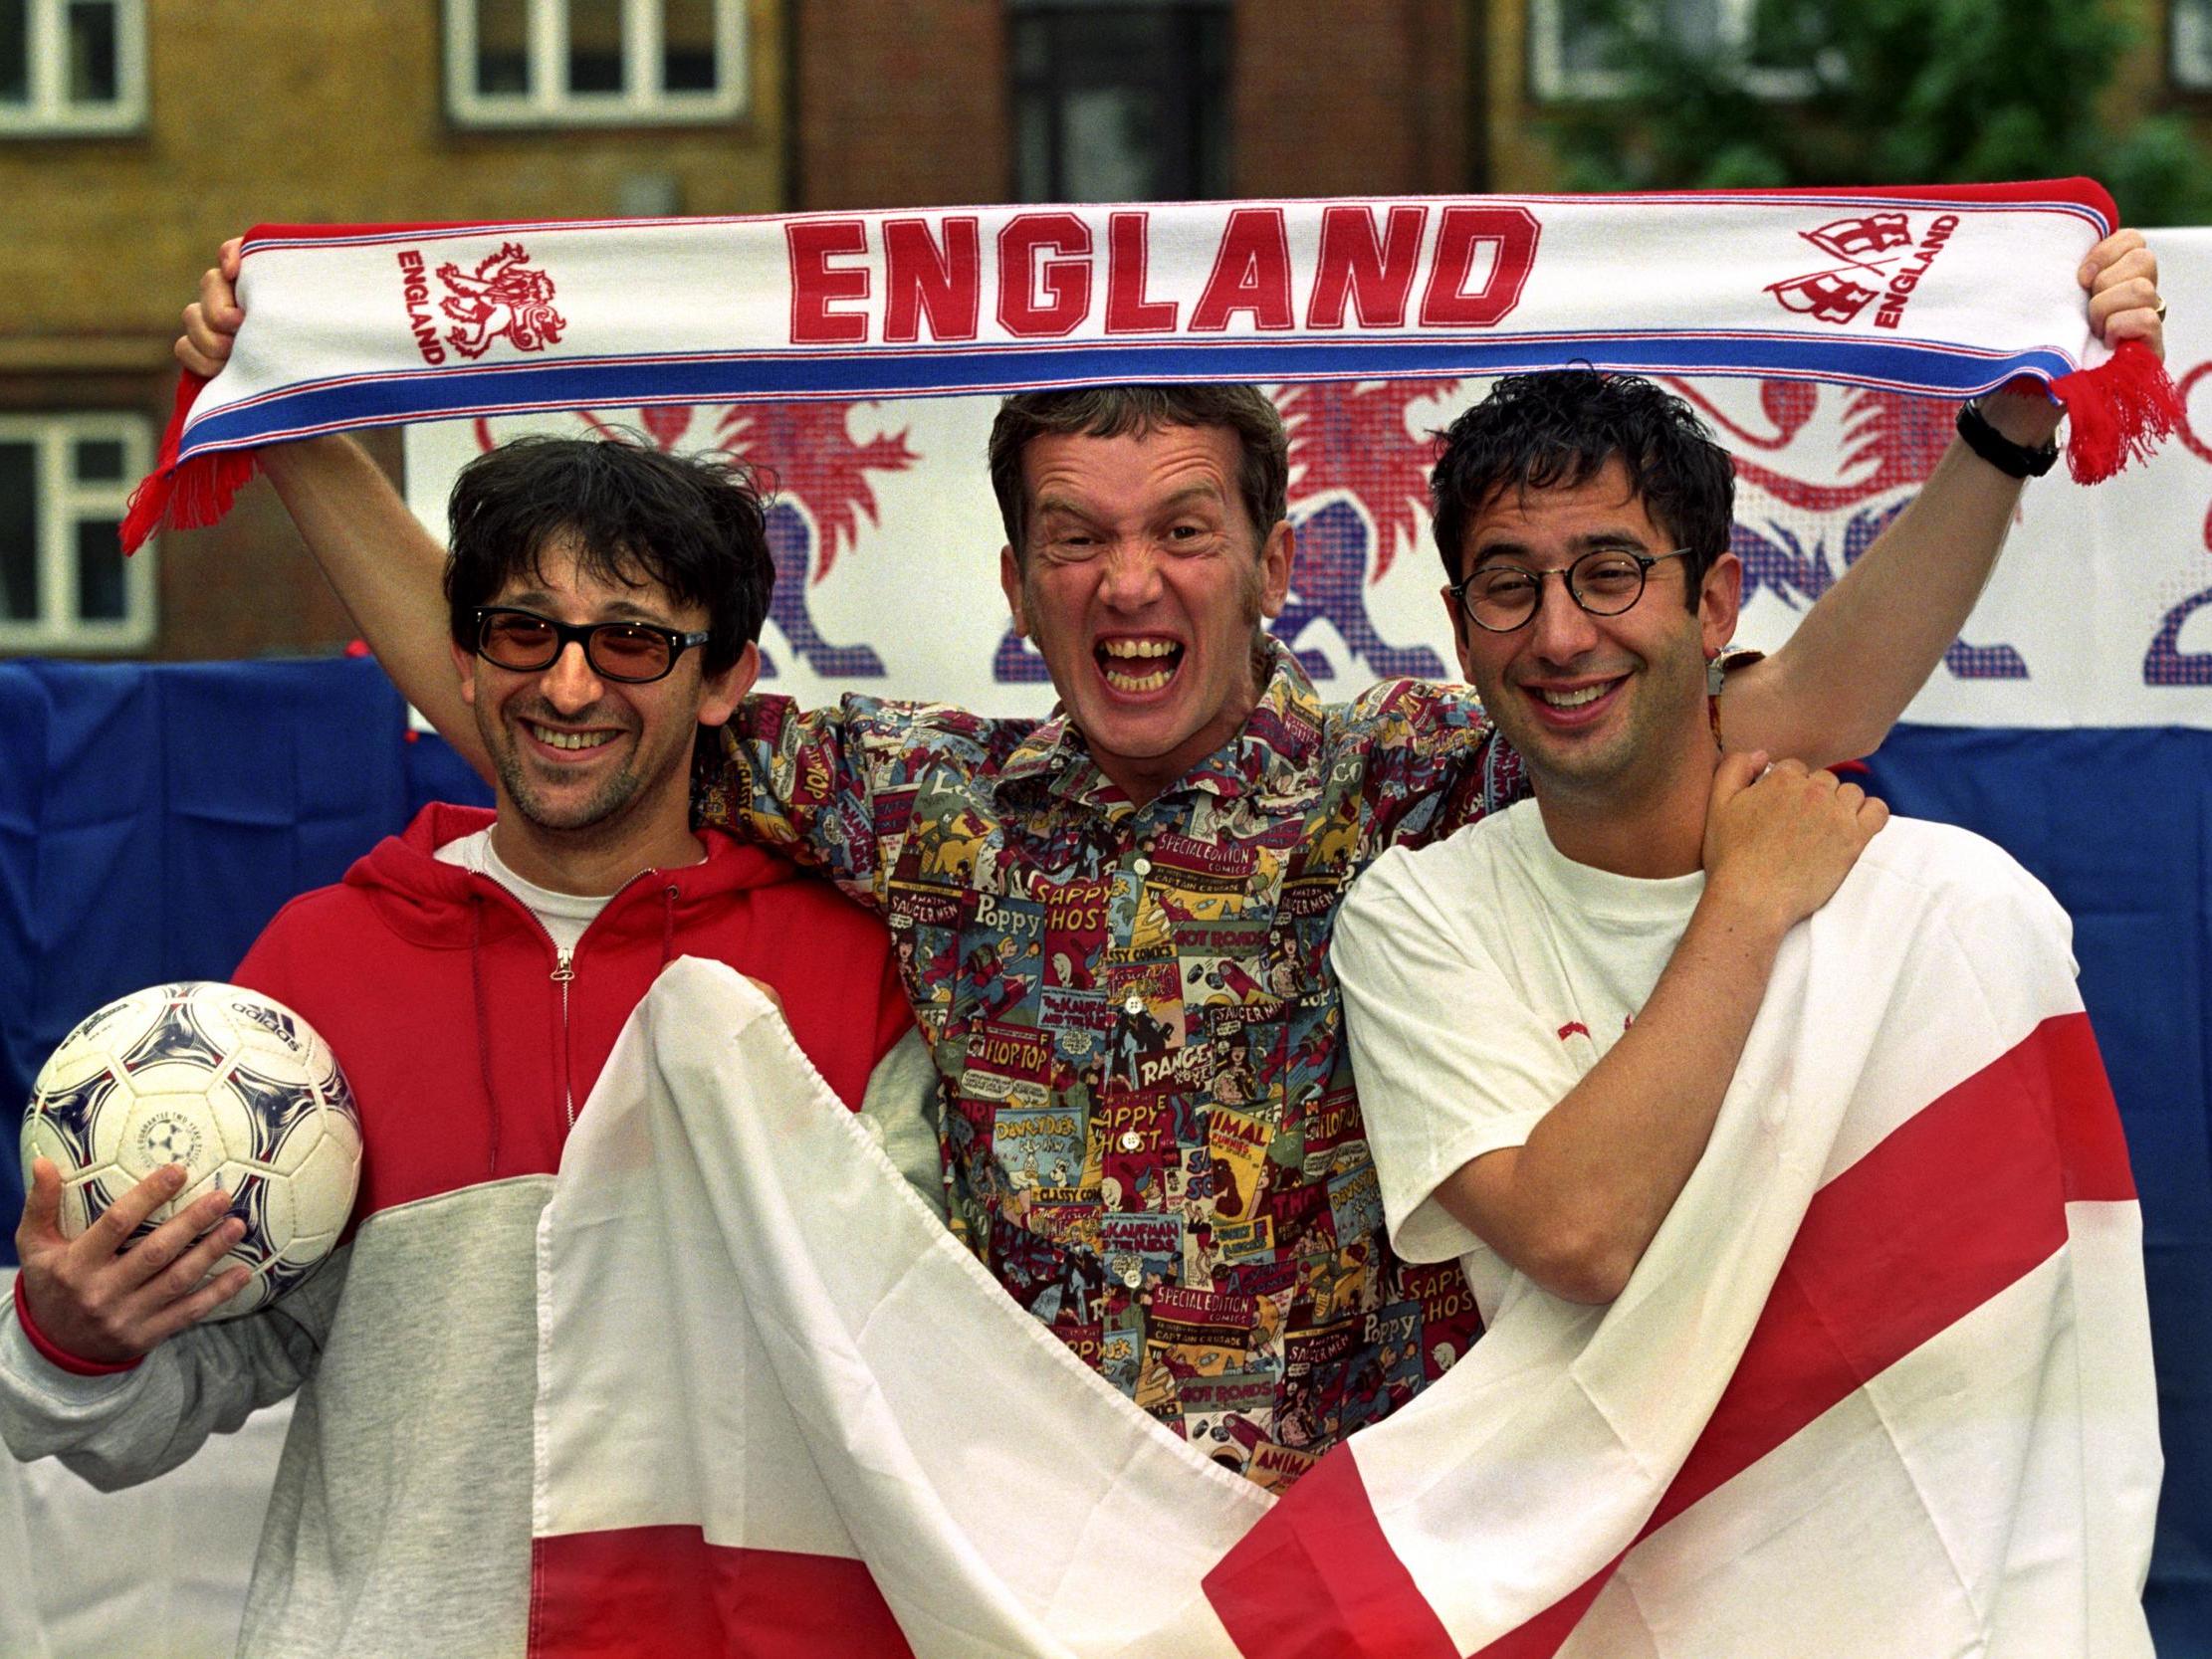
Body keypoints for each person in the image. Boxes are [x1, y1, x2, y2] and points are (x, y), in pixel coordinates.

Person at [170, 233, 2165, 1485]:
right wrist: (298, 400)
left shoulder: (1400, 763)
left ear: (1279, 558)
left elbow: (1781, 717)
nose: (1131, 580)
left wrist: (1993, 434)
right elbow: (535, 690)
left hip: (1360, 1534)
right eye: (1078, 535)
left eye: (1182, 528)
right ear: (1021, 577)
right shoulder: (908, 794)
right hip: (1012, 1535)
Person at [1, 437, 931, 1659]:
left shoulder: (849, 967)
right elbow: (193, 1385)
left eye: (633, 639)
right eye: (523, 631)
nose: (569, 684)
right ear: (465, 656)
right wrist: (72, 1340)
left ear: (723, 679)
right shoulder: (322, 962)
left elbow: (912, 1376)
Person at [1330, 370, 1889, 1312]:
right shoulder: (1410, 915)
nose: (1558, 636)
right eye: (1507, 587)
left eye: (1610, 575)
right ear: (1461, 635)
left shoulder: (1924, 893)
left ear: (1713, 605)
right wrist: (1747, 901)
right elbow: (1576, 1236)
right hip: (1561, 1459)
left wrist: (2006, 434)